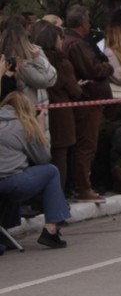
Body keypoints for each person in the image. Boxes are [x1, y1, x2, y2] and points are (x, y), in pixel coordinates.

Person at [0, 92, 72, 248]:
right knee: (51, 171)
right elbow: (43, 158)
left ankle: (4, 231)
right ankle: (51, 230)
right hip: (13, 182)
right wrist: (41, 130)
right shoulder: (24, 125)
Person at [63, 4, 114, 203]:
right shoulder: (77, 44)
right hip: (86, 100)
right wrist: (107, 66)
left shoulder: (70, 41)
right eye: (89, 19)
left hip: (80, 100)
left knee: (81, 146)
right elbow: (93, 69)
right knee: (86, 145)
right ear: (83, 22)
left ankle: (79, 185)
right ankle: (83, 187)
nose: (90, 23)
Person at [35, 24, 82, 193]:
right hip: (62, 114)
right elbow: (74, 90)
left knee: (44, 156)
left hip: (42, 112)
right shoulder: (61, 61)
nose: (62, 42)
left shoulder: (35, 61)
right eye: (60, 39)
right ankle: (58, 196)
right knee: (61, 156)